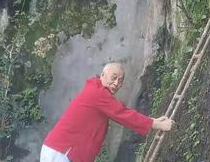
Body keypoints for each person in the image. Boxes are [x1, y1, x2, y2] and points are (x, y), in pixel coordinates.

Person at [40, 62, 174, 162]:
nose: (116, 83)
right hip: (62, 152)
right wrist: (156, 125)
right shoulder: (98, 93)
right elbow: (122, 114)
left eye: (120, 81)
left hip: (60, 151)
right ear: (102, 75)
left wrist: (154, 121)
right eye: (113, 77)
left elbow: (122, 111)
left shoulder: (97, 91)